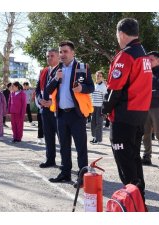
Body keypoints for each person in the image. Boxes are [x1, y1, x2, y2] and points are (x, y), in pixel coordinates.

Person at [102, 18, 152, 202]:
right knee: (134, 158)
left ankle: (132, 202)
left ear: (121, 34)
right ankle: (139, 198)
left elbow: (115, 88)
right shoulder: (144, 55)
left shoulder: (127, 55)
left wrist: (104, 109)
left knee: (125, 162)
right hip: (139, 116)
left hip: (124, 116)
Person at [46, 40, 94, 183]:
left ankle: (83, 176)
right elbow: (48, 90)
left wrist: (82, 89)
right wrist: (56, 79)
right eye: (60, 52)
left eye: (65, 51)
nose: (62, 54)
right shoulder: (56, 70)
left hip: (76, 114)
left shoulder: (82, 67)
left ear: (73, 53)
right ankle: (65, 173)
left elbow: (91, 87)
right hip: (61, 114)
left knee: (81, 148)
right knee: (64, 147)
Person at [35, 48, 60, 168]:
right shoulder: (43, 71)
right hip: (45, 109)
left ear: (58, 57)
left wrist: (52, 102)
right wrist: (40, 100)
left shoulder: (62, 70)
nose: (49, 58)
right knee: (48, 136)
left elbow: (63, 90)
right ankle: (50, 159)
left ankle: (66, 164)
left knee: (62, 138)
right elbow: (38, 89)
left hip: (57, 110)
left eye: (52, 56)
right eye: (47, 56)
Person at [90, 71, 107, 144]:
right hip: (93, 107)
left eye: (100, 76)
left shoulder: (103, 86)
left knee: (99, 123)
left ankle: (99, 139)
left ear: (102, 77)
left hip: (100, 107)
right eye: (97, 76)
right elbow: (92, 96)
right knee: (93, 123)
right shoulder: (94, 85)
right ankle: (94, 137)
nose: (98, 77)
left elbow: (105, 98)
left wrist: (104, 109)